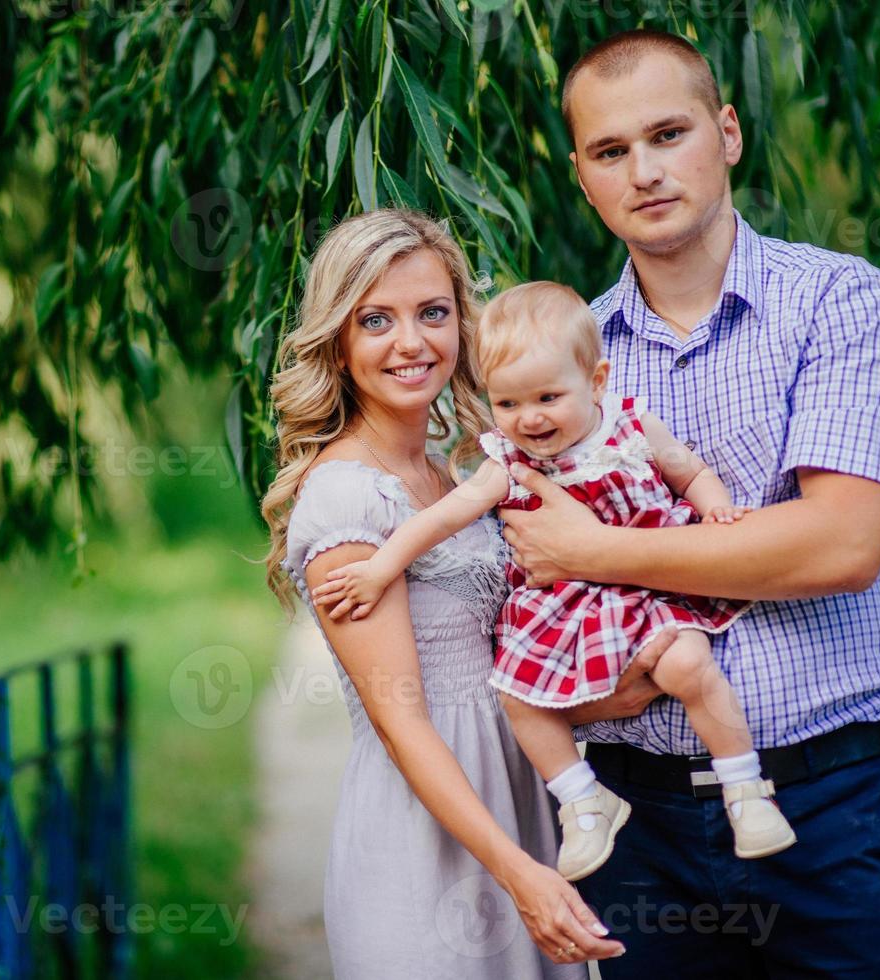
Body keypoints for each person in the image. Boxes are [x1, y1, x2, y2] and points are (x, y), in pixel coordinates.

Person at [497, 28, 880, 975]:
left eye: (669, 134)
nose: (645, 171)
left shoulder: (842, 305)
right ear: (580, 176)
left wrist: (595, 551)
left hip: (829, 811)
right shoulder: (555, 367)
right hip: (636, 827)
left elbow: (839, 545)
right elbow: (526, 583)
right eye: (611, 151)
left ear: (727, 132)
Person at [263, 208, 676, 972]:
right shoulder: (344, 499)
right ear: (339, 340)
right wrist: (518, 874)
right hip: (426, 851)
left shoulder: (456, 476)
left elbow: (494, 670)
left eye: (432, 312)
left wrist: (604, 696)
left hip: (519, 813)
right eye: (375, 320)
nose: (410, 342)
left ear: (462, 324)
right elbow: (402, 723)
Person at [312, 281, 797, 884]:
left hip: (644, 589)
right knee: (520, 696)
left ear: (595, 382)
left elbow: (688, 471)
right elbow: (441, 518)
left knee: (688, 666)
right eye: (509, 404)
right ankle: (581, 800)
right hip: (562, 608)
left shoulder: (629, 428)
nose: (531, 419)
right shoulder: (507, 463)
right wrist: (381, 567)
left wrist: (717, 509)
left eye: (547, 397)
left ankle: (745, 787)